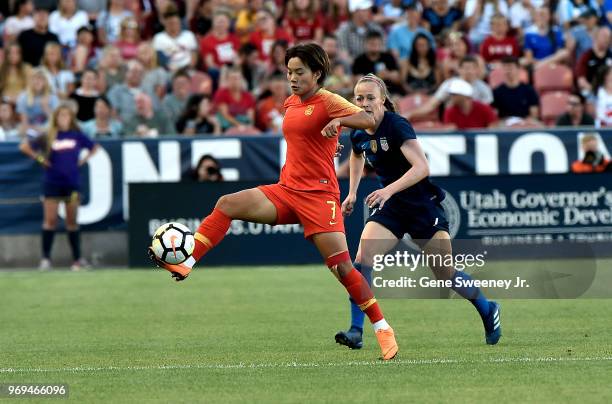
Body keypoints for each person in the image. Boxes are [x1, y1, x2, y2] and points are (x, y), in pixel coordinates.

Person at [147, 43, 399, 360]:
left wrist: (341, 122)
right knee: (227, 203)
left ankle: (382, 329)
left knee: (342, 268)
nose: (292, 78)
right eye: (289, 71)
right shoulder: (291, 102)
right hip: (286, 190)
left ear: (317, 73)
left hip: (319, 197)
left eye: (299, 72)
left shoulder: (329, 101)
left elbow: (369, 120)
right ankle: (187, 262)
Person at [334, 73, 501, 350]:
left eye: (370, 98)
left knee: (444, 274)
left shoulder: (397, 125)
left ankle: (487, 308)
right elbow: (356, 155)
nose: (363, 103)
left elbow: (422, 168)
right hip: (393, 209)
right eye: (359, 98)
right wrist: (352, 192)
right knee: (363, 259)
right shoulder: (359, 131)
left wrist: (387, 190)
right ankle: (356, 330)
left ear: (383, 100)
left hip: (422, 206)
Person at [19, 104, 99, 270]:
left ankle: (77, 260)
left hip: (72, 184)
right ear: (56, 118)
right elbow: (24, 146)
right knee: (50, 221)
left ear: (71, 118)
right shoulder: (49, 135)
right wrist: (41, 160)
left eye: (67, 115)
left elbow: (94, 147)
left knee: (72, 222)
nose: (64, 119)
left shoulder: (77, 135)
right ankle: (46, 259)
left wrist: (82, 161)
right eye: (61, 115)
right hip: (52, 183)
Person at [492, 56, 540, 125]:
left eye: (511, 68)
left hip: (525, 122)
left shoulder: (529, 90)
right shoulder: (497, 92)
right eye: (505, 68)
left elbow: (534, 113)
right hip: (504, 123)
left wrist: (525, 122)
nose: (508, 71)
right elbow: (494, 114)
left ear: (518, 69)